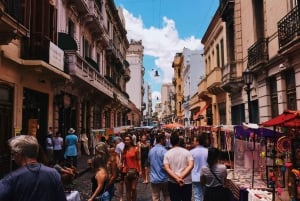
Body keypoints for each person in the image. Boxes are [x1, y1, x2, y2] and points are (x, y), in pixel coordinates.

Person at [0, 135, 66, 201]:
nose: (13, 158)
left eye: (13, 154)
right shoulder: (53, 174)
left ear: (19, 154)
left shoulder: (10, 179)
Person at [163, 132, 194, 201]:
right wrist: (181, 177)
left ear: (170, 142)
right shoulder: (187, 152)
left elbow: (167, 168)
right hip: (186, 181)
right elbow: (191, 165)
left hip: (173, 182)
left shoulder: (167, 154)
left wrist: (177, 178)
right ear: (178, 141)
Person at [148, 134, 170, 201]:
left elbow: (149, 163)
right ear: (161, 140)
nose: (166, 141)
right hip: (164, 178)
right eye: (164, 139)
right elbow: (167, 165)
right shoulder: (164, 151)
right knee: (167, 196)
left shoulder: (151, 150)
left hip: (154, 178)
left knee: (155, 198)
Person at [121, 134, 141, 201]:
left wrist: (140, 170)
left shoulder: (135, 149)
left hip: (135, 170)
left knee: (133, 188)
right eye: (125, 140)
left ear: (131, 141)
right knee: (128, 189)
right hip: (126, 171)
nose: (126, 141)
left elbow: (138, 159)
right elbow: (122, 161)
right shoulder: (123, 150)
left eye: (128, 140)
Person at [190, 135, 208, 201]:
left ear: (197, 142)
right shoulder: (208, 151)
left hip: (195, 176)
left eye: (194, 141)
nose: (193, 142)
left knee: (197, 196)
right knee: (205, 195)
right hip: (205, 176)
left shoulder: (191, 152)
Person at [114, 136, 125, 201]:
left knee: (121, 182)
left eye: (115, 142)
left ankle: (121, 197)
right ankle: (121, 197)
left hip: (122, 165)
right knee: (122, 182)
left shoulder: (118, 145)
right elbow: (117, 155)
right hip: (122, 165)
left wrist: (118, 164)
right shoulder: (120, 145)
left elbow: (117, 156)